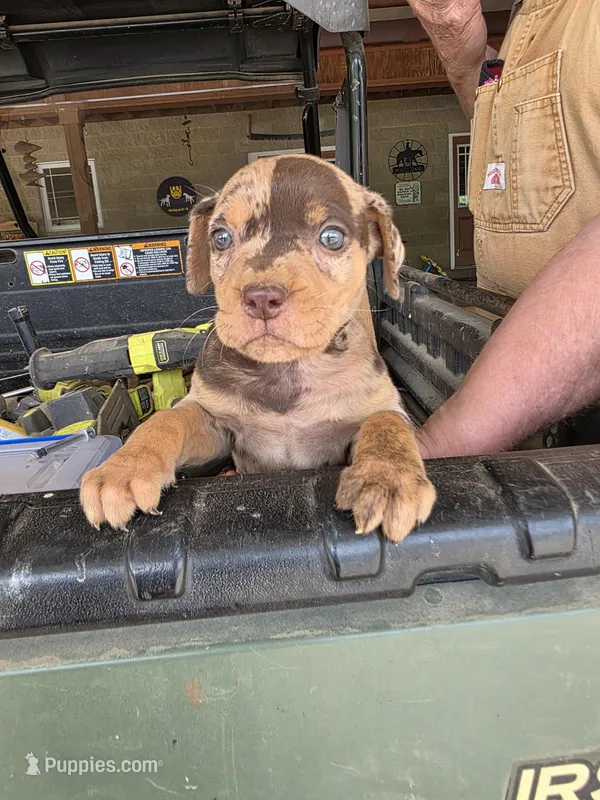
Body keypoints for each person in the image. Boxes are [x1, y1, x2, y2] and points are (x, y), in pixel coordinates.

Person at [403, 0, 600, 458]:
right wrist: (466, 56)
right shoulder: (528, 17)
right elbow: (509, 133)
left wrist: (438, 443)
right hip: (534, 417)